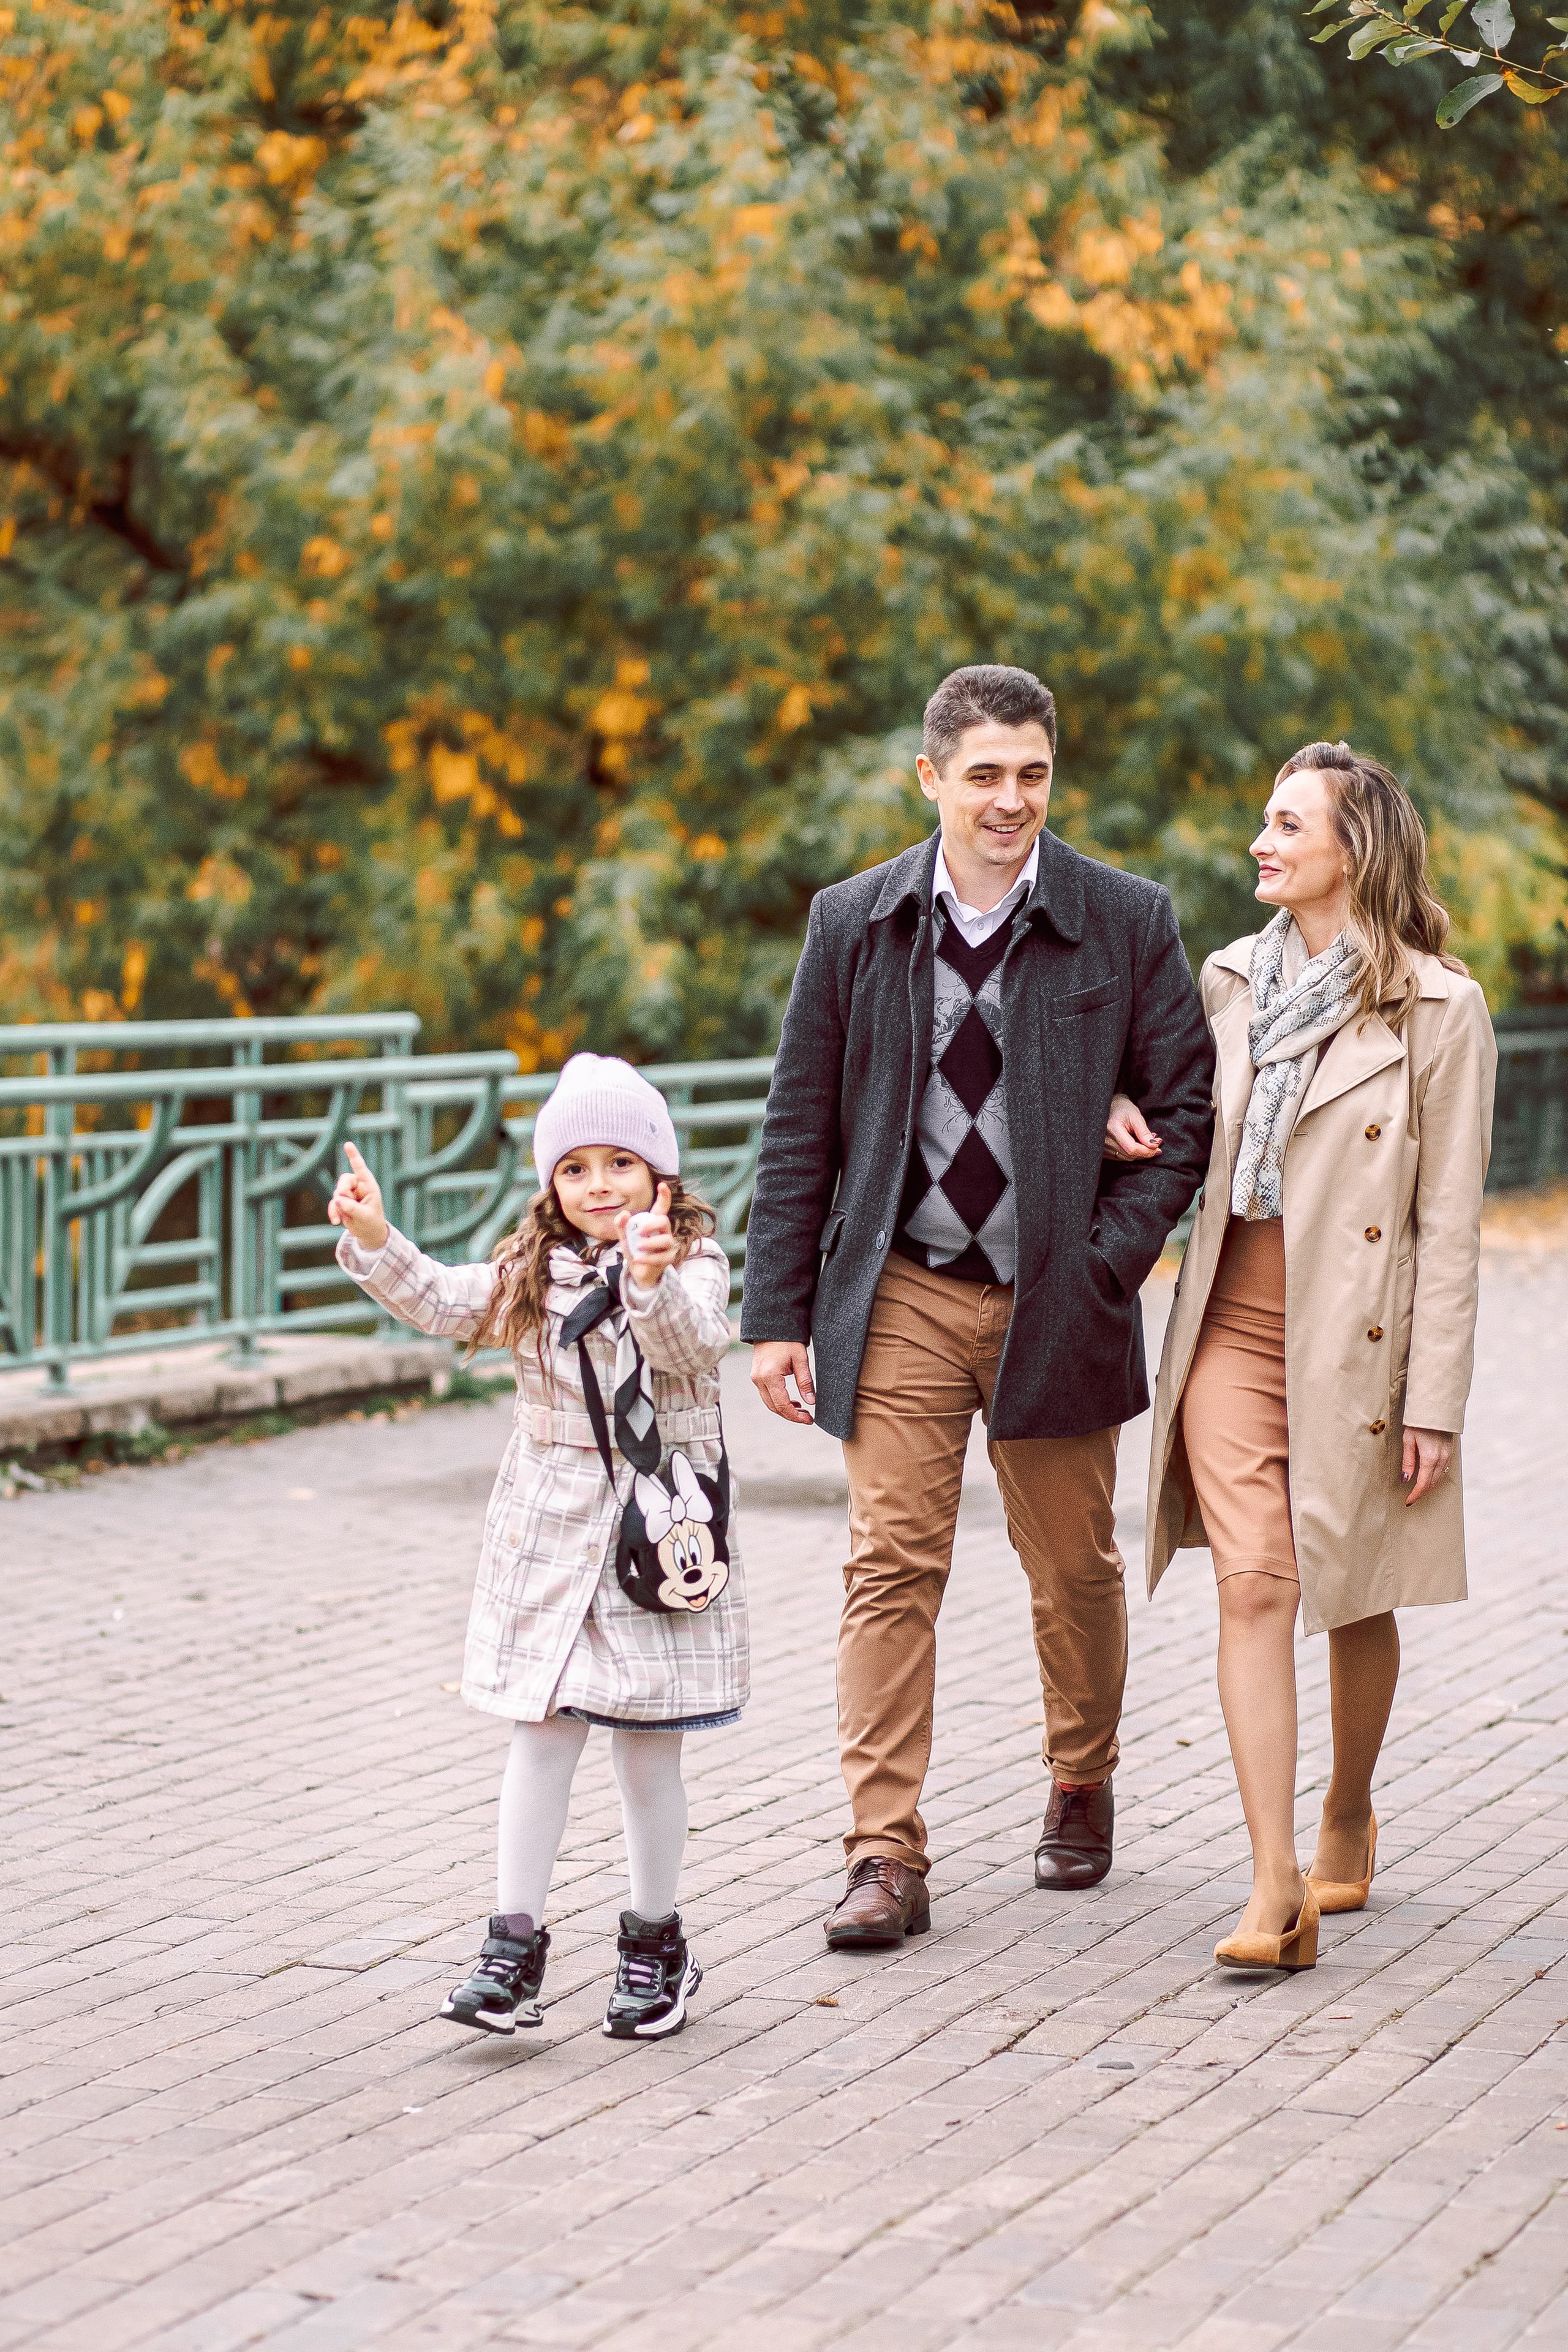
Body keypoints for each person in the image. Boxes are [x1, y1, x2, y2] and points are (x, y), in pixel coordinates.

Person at [742, 663, 1215, 1948]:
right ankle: (882, 1852)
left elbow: (1182, 1118)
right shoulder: (854, 923)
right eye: (984, 776)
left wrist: (1105, 1258)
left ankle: (1080, 1768)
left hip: (1057, 1296)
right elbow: (800, 1126)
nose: (1010, 801)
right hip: (899, 1286)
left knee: (1069, 1567)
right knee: (890, 1563)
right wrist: (774, 1310)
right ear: (930, 779)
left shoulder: (1121, 919)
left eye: (1032, 775)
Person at [1140, 741, 1496, 1973]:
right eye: (1262, 819)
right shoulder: (1228, 980)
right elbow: (1189, 1122)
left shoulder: (1437, 1006)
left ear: (1353, 850)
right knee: (1254, 1584)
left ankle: (1347, 1806)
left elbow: (1447, 1221)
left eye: (1286, 824)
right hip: (1226, 1325)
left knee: (1352, 1585)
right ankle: (1271, 1880)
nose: (1260, 841)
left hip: (1357, 1338)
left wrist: (1432, 1401)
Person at [326, 1053, 747, 2038]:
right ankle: (510, 1949)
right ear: (551, 1186)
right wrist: (378, 1237)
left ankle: (656, 1947)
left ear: (661, 1177)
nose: (598, 1185)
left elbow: (693, 1347)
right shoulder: (531, 1271)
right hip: (550, 1526)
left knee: (648, 1752)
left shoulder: (691, 1263)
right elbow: (442, 1301)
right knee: (542, 1731)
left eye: (619, 1164)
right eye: (575, 1169)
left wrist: (645, 1279)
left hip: (656, 1531)